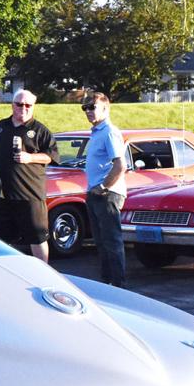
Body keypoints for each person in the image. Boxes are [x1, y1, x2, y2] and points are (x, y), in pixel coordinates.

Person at [0, 90, 57, 262]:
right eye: (19, 104)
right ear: (12, 105)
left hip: (29, 196)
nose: (23, 108)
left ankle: (44, 273)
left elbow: (51, 156)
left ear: (33, 107)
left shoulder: (40, 130)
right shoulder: (0, 127)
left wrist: (30, 158)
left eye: (28, 105)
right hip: (0, 196)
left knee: (37, 237)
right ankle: (5, 272)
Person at [82, 92, 127, 287]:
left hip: (108, 194)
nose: (88, 111)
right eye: (85, 108)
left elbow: (120, 165)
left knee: (111, 242)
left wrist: (102, 187)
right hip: (95, 193)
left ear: (105, 109)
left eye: (92, 107)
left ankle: (118, 287)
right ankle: (106, 283)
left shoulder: (109, 131)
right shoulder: (97, 132)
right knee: (100, 243)